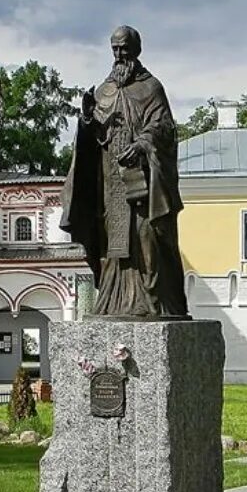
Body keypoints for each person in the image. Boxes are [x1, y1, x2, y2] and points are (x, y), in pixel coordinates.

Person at [60, 25, 188, 318]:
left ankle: (154, 300)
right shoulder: (104, 90)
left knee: (148, 237)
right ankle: (112, 301)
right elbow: (94, 140)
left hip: (142, 181)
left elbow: (164, 127)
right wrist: (88, 118)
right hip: (110, 182)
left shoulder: (151, 87)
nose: (119, 54)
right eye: (115, 48)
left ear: (136, 49)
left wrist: (143, 144)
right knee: (110, 242)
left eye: (125, 48)